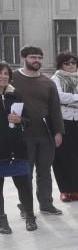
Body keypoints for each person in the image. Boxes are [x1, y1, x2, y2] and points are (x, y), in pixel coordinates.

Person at [15, 46, 64, 216]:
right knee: (25, 173)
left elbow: (55, 109)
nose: (37, 60)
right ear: (24, 58)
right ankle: (26, 207)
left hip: (45, 134)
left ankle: (46, 204)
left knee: (44, 171)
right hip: (21, 135)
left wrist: (58, 132)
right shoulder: (13, 78)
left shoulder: (48, 82)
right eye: (33, 57)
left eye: (39, 57)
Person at [51, 51, 78, 202]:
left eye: (73, 63)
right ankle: (65, 190)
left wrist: (68, 101)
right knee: (63, 156)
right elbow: (58, 97)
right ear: (61, 65)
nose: (70, 66)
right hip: (63, 120)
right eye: (67, 63)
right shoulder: (55, 79)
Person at [0, 61, 34, 233]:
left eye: (6, 74)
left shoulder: (16, 95)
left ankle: (29, 216)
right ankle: (2, 221)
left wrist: (20, 121)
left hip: (17, 148)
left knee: (24, 184)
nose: (3, 76)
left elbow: (28, 120)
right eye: (0, 73)